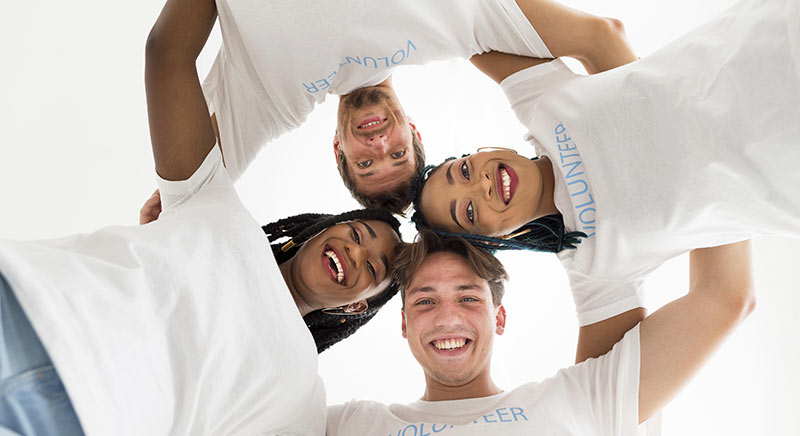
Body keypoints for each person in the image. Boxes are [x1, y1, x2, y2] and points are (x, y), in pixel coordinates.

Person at [0, 1, 402, 436]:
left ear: (357, 305)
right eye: (357, 232)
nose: (355, 252)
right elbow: (167, 53)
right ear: (326, 226)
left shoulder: (303, 397)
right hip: (27, 301)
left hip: (77, 421)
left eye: (373, 267)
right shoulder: (213, 199)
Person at [412, 0, 799, 361]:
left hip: (775, 40)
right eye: (468, 211)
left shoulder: (541, 102)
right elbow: (594, 402)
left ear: (487, 150)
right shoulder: (594, 267)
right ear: (501, 239)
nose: (479, 185)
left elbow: (463, 17)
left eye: (461, 170)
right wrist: (714, 207)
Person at [202, 0, 637, 213]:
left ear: (339, 150)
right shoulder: (456, 30)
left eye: (366, 164)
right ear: (414, 131)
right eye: (396, 152)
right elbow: (602, 39)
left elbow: (192, 195)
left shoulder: (278, 99)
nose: (377, 143)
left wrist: (174, 208)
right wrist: (636, 170)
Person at [327, 230, 754, 435]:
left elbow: (723, 297)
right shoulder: (349, 424)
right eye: (424, 301)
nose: (447, 318)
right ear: (403, 324)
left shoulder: (581, 399)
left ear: (500, 317)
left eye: (468, 297)